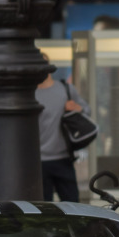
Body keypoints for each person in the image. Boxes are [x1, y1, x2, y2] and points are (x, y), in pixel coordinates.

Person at [35, 57, 91, 202]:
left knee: (73, 205)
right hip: (38, 161)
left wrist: (76, 108)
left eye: (44, 64)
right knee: (43, 208)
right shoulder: (29, 93)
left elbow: (86, 110)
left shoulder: (65, 89)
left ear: (50, 67)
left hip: (64, 158)